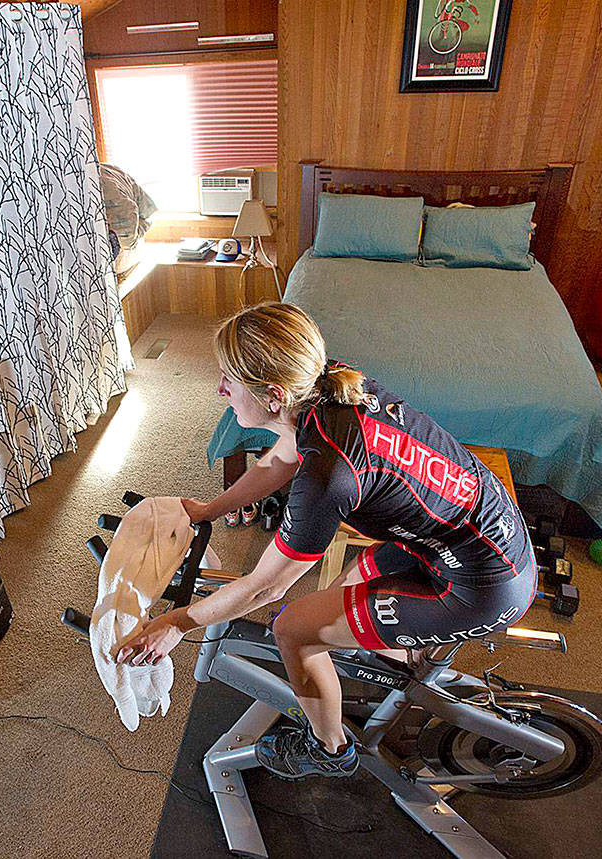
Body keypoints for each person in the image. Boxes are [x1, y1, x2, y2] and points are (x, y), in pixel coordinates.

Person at [117, 302, 537, 779]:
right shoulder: (323, 380)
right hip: (466, 539)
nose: (220, 390)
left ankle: (330, 751)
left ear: (274, 395)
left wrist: (176, 622)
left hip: (480, 585)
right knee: (335, 599)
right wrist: (210, 509)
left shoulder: (326, 478)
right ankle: (397, 660)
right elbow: (280, 459)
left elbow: (264, 588)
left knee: (293, 627)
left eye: (228, 379)